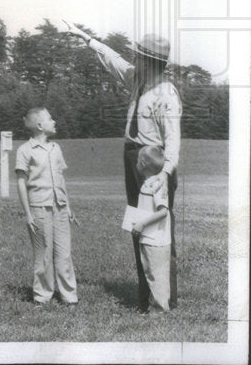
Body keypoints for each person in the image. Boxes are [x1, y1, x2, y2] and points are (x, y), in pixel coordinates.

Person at [63, 21, 181, 311]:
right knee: (138, 228)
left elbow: (174, 140)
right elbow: (113, 60)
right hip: (133, 159)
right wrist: (86, 37)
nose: (135, 59)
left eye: (139, 55)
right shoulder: (138, 80)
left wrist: (164, 175)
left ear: (150, 60)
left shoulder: (166, 94)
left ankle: (165, 299)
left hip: (154, 162)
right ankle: (147, 296)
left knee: (158, 230)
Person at [15, 107, 79, 306]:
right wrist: (28, 214)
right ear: (40, 125)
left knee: (64, 253)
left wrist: (67, 206)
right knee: (43, 254)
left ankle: (69, 297)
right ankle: (42, 296)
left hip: (59, 207)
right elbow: (20, 182)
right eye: (51, 119)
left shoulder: (56, 148)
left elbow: (61, 178)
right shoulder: (25, 150)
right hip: (38, 208)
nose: (55, 122)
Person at [127, 145, 173, 313]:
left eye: (138, 160)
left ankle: (160, 310)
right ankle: (154, 307)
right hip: (147, 238)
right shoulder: (147, 184)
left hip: (157, 241)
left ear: (143, 163)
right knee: (150, 273)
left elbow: (163, 212)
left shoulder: (158, 185)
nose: (136, 163)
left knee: (158, 276)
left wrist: (142, 223)